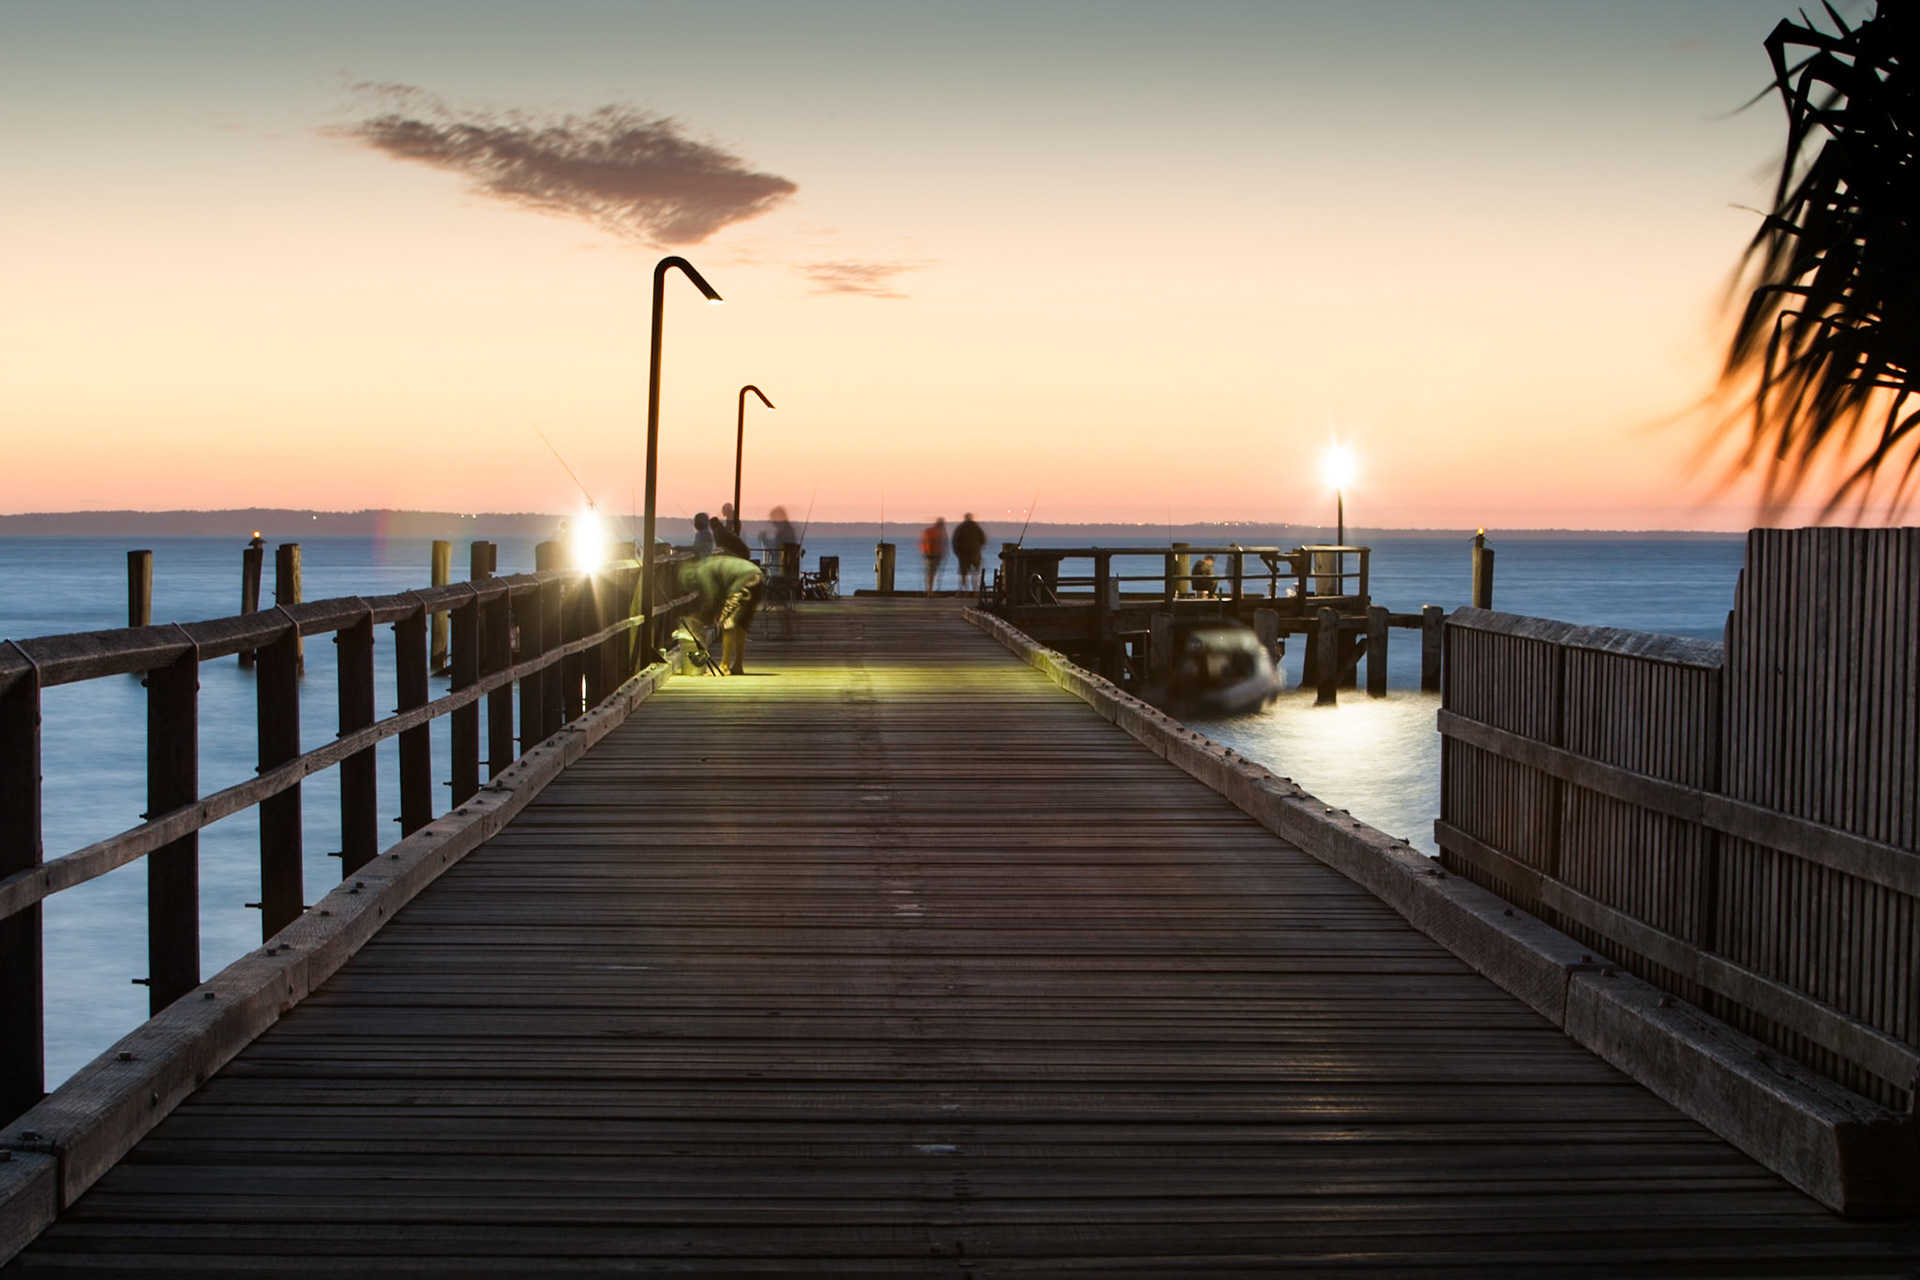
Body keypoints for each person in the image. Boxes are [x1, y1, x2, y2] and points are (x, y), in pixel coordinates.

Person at [678, 554, 764, 675]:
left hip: (744, 580)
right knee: (741, 624)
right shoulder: (707, 564)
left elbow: (712, 597)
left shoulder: (702, 572)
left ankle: (724, 665)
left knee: (727, 622)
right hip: (757, 576)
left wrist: (699, 619)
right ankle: (738, 665)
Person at [952, 513, 987, 593]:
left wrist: (957, 552)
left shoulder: (961, 528)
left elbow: (955, 541)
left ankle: (964, 591)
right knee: (975, 573)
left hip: (963, 554)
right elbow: (983, 540)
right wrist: (978, 548)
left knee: (964, 574)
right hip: (974, 553)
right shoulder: (976, 528)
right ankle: (975, 591)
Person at [921, 517, 949, 596]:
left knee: (930, 573)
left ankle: (928, 590)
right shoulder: (938, 532)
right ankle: (930, 592)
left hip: (930, 554)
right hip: (934, 555)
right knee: (931, 573)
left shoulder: (929, 531)